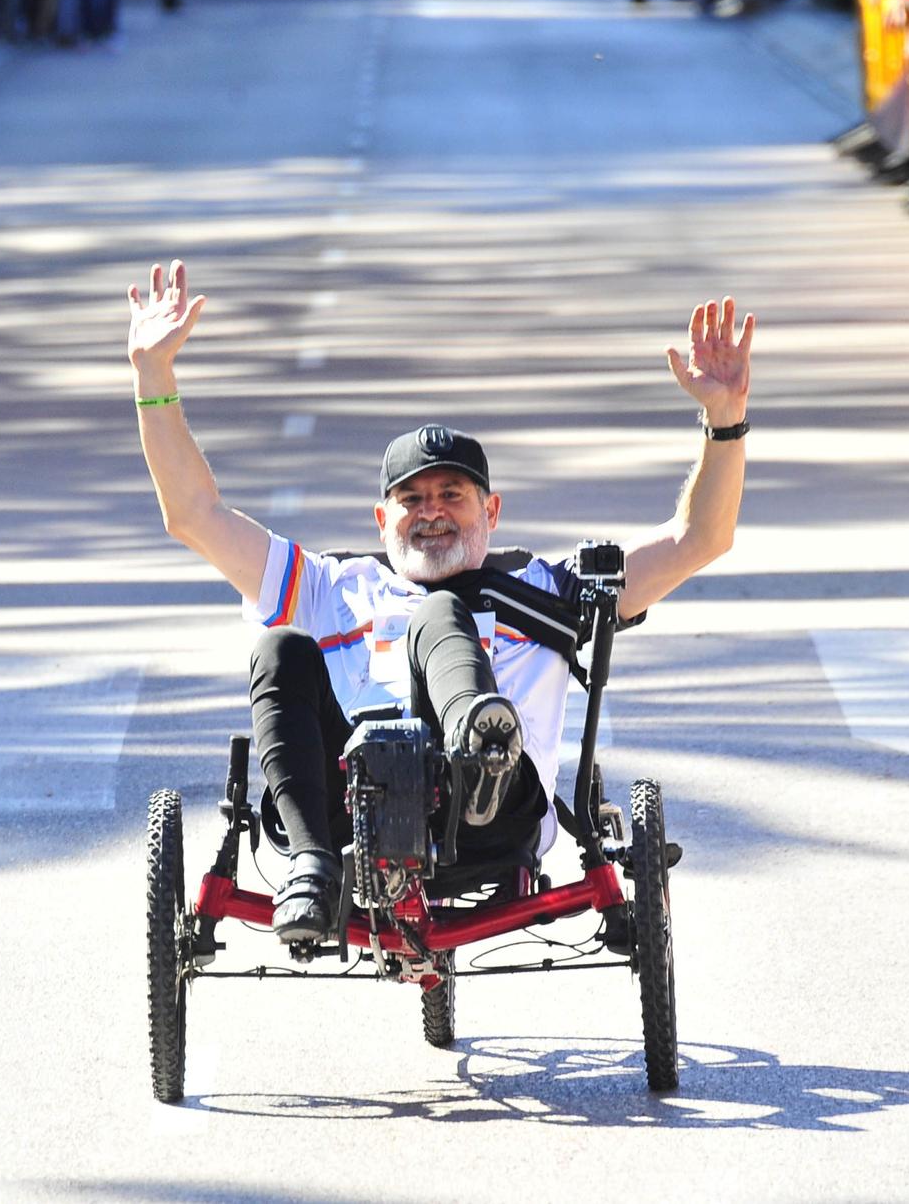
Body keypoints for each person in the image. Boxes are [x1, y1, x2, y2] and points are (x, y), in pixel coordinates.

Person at [126, 260, 754, 940]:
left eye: (452, 495)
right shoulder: (332, 587)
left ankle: (481, 747)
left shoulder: (546, 587)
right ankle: (310, 861)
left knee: (441, 612)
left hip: (491, 815)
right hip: (348, 809)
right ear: (381, 520)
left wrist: (725, 422)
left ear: (492, 509)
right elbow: (195, 514)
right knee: (280, 645)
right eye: (412, 499)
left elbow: (699, 538)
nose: (432, 513)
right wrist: (153, 378)